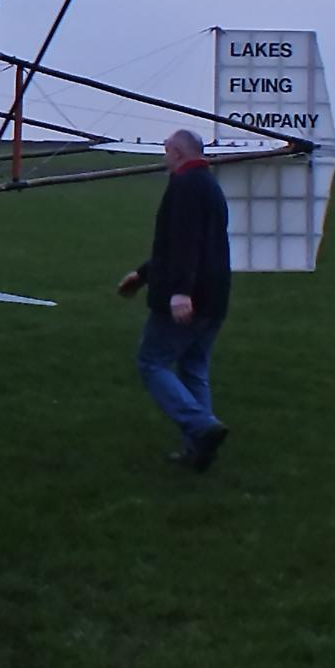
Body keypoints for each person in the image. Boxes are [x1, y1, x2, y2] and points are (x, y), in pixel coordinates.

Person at [116, 128, 232, 471]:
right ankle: (199, 449)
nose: (165, 159)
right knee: (194, 369)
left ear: (177, 152)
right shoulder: (210, 187)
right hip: (216, 296)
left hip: (188, 298)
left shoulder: (183, 186)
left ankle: (201, 426)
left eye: (166, 152)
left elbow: (182, 244)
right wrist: (142, 275)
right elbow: (184, 246)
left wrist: (180, 292)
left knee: (151, 362)